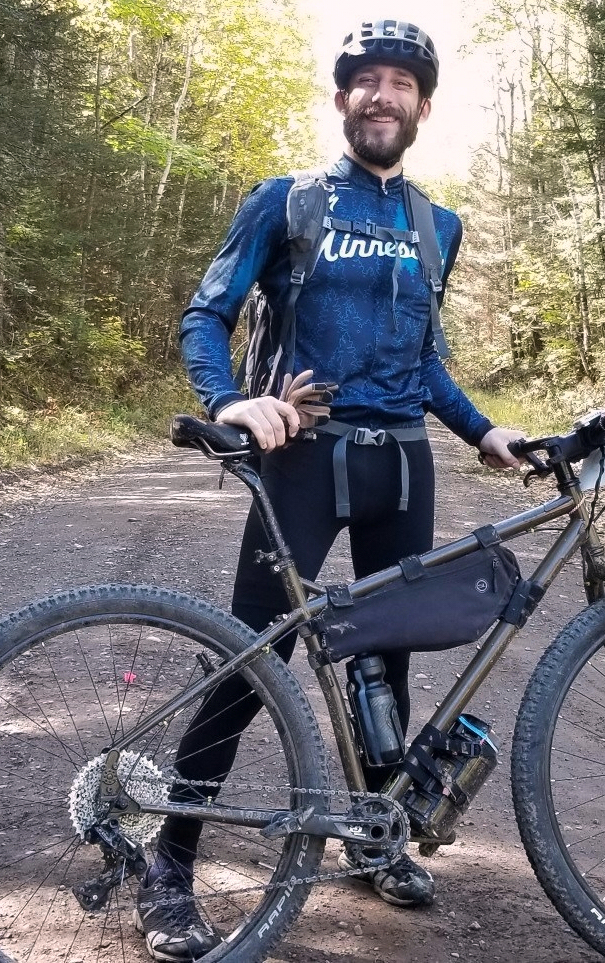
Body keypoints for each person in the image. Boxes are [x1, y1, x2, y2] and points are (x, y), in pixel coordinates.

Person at [134, 18, 522, 962]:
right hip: (302, 459)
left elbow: (424, 360)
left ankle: (371, 831)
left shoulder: (439, 225)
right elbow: (206, 312)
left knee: (384, 658)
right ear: (343, 97)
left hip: (402, 460)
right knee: (247, 659)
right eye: (367, 80)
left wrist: (484, 428)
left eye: (401, 83)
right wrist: (234, 399)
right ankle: (169, 856)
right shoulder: (286, 201)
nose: (382, 95)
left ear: (424, 107)